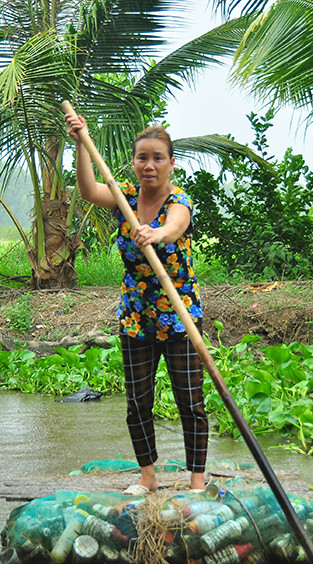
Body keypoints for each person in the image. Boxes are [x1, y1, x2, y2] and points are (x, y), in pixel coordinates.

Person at [65, 112, 208, 494]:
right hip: (135, 316)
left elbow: (175, 225)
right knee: (137, 402)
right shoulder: (124, 195)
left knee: (190, 401)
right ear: (133, 162)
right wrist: (82, 143)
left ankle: (197, 481)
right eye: (142, 158)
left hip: (179, 314)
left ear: (171, 163)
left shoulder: (179, 199)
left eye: (158, 158)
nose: (149, 165)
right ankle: (147, 477)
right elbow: (88, 190)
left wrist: (156, 233)